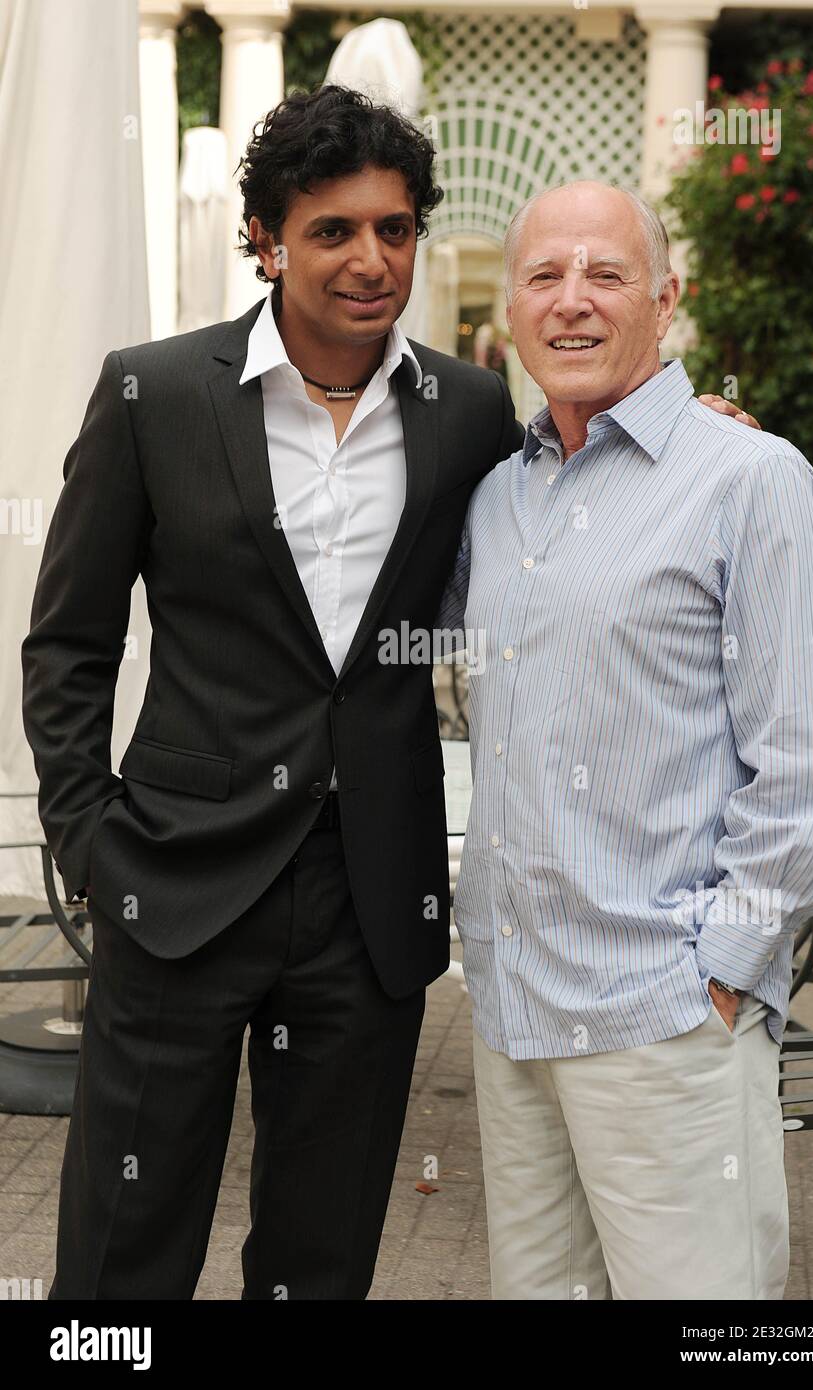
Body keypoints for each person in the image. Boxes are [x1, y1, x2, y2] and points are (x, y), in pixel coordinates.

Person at [20, 83, 524, 1301]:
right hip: (176, 881)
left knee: (321, 1251)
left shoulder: (465, 412)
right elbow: (68, 644)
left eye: (395, 230)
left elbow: (575, 503)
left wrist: (701, 422)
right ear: (267, 239)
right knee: (120, 1249)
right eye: (334, 231)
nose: (371, 260)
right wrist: (90, 840)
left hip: (368, 895)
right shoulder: (156, 394)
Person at [438, 180, 813, 1300]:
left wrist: (721, 974)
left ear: (664, 300)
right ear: (513, 309)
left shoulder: (754, 482)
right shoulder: (492, 498)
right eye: (543, 276)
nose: (571, 301)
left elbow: (810, 768)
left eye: (606, 274)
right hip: (513, 1007)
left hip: (663, 1016)